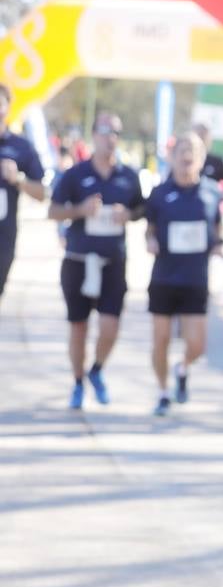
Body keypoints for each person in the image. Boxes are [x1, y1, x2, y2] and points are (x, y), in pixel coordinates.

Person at [48, 111, 146, 409]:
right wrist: (80, 209)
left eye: (115, 131)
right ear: (94, 136)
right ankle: (77, 382)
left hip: (112, 261)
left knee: (110, 326)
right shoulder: (75, 174)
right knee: (78, 326)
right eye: (104, 131)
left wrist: (127, 215)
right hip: (79, 259)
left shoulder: (128, 176)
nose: (110, 137)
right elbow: (53, 211)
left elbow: (142, 208)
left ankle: (97, 370)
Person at [142, 131, 223, 416]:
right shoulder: (160, 193)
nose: (187, 156)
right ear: (172, 158)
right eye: (182, 151)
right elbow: (149, 228)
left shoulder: (212, 192)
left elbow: (217, 228)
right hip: (165, 276)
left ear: (201, 159)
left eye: (194, 151)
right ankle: (163, 392)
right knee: (160, 340)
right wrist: (150, 241)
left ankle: (183, 367)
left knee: (197, 345)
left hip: (195, 279)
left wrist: (219, 245)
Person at [0, 83, 48, 309]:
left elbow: (42, 193)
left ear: (8, 108)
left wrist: (18, 179)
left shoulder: (21, 147)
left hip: (3, 236)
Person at [193, 122, 223, 200]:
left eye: (203, 136)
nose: (200, 139)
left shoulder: (216, 161)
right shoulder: (184, 162)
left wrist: (217, 198)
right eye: (198, 135)